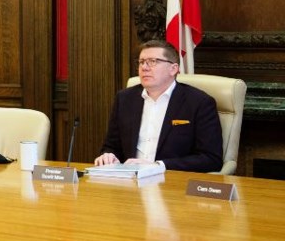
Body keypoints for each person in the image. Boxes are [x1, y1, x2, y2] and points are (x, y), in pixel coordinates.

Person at [94, 39, 223, 173]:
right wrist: (109, 155)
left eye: (153, 61)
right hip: (129, 180)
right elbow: (111, 146)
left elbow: (211, 159)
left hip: (172, 182)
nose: (144, 67)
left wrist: (158, 166)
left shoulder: (199, 102)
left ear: (173, 69)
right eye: (141, 62)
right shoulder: (125, 99)